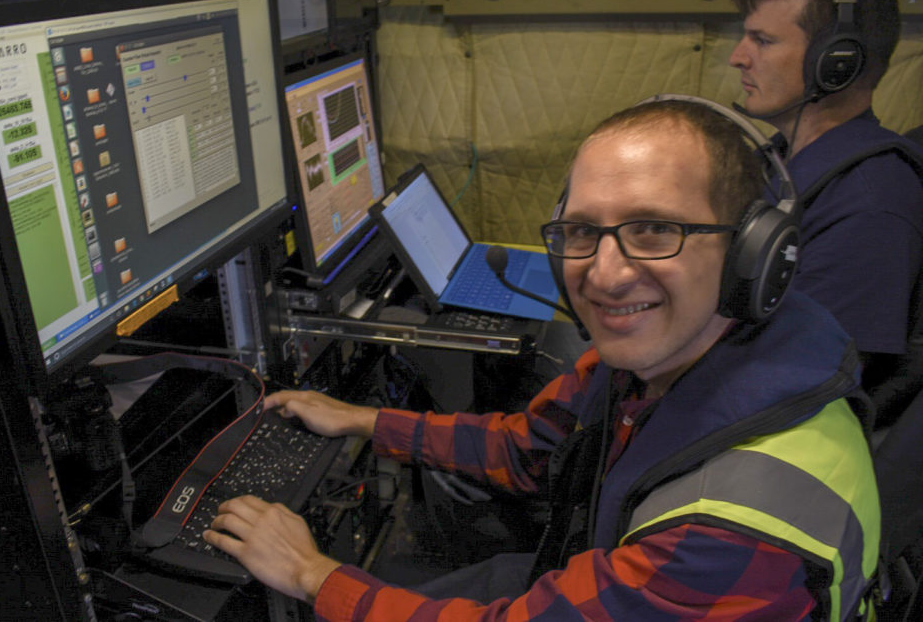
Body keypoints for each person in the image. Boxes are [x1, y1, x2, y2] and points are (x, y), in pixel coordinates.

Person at [203, 99, 880, 620]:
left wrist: (310, 573)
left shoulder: (728, 532)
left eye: (653, 229)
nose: (605, 275)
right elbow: (526, 447)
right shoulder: (673, 352)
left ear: (750, 255)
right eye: (583, 231)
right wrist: (364, 420)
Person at [729, 0, 923, 426]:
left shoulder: (869, 200)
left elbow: (806, 383)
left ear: (838, 61)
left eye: (763, 41)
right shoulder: (773, 166)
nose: (738, 57)